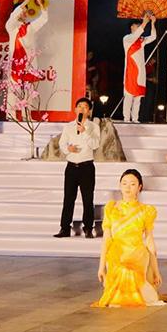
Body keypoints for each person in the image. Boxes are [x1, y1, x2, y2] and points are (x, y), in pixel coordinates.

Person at [93, 169, 164, 308]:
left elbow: (150, 241)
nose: (128, 187)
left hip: (138, 255)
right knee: (121, 275)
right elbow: (106, 239)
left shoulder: (146, 210)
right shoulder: (111, 208)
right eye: (124, 183)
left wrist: (156, 271)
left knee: (136, 284)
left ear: (139, 187)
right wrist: (101, 268)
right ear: (120, 186)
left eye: (132, 184)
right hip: (117, 255)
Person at [54, 97, 101, 238]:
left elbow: (95, 145)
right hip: (71, 167)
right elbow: (62, 144)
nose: (81, 109)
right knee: (68, 198)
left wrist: (84, 131)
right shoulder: (68, 126)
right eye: (79, 106)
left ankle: (88, 228)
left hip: (87, 166)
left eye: (85, 107)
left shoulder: (94, 126)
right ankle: (64, 228)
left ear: (89, 111)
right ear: (75, 109)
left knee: (88, 199)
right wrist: (68, 149)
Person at [4, 0, 49, 119]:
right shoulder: (11, 27)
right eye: (22, 10)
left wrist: (40, 3)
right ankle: (11, 115)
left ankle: (27, 116)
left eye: (25, 11)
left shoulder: (30, 28)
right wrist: (26, 1)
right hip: (15, 64)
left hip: (29, 64)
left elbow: (44, 19)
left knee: (29, 92)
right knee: (13, 91)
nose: (24, 12)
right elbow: (13, 17)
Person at [122, 12, 156, 123]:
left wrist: (153, 23)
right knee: (129, 95)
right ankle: (126, 118)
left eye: (139, 25)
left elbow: (153, 37)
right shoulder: (127, 39)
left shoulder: (141, 40)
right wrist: (144, 22)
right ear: (132, 27)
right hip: (131, 71)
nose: (139, 27)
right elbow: (135, 35)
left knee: (138, 96)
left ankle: (135, 118)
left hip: (141, 72)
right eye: (137, 25)